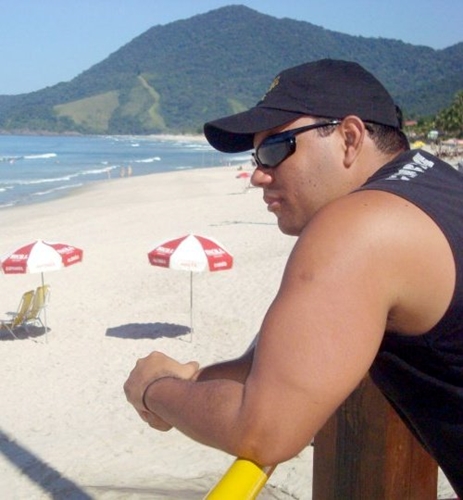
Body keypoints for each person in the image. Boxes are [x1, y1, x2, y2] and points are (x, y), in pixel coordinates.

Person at [124, 59, 463, 496]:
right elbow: (284, 363)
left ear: (349, 138)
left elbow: (264, 430)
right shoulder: (435, 185)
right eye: (255, 157)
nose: (257, 175)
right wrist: (191, 381)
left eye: (275, 149)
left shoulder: (359, 227)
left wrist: (154, 390)